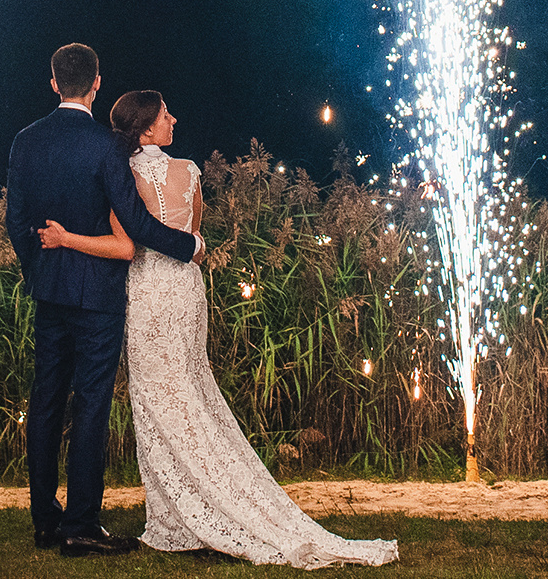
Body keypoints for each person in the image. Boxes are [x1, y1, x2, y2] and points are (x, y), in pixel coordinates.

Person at [36, 89, 398, 568]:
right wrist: (191, 249)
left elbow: (128, 247)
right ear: (147, 128)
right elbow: (196, 235)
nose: (174, 118)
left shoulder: (123, 174)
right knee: (191, 390)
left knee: (159, 403)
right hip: (186, 291)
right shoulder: (189, 171)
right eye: (166, 114)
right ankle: (195, 507)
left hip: (148, 294)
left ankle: (178, 515)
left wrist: (65, 238)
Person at [5, 43, 203, 558]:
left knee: (45, 401)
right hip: (98, 296)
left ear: (54, 83)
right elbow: (134, 225)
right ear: (96, 84)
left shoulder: (25, 142)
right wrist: (189, 246)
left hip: (50, 290)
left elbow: (15, 222)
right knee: (90, 405)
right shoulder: (105, 146)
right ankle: (81, 526)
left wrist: (39, 269)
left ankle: (45, 521)